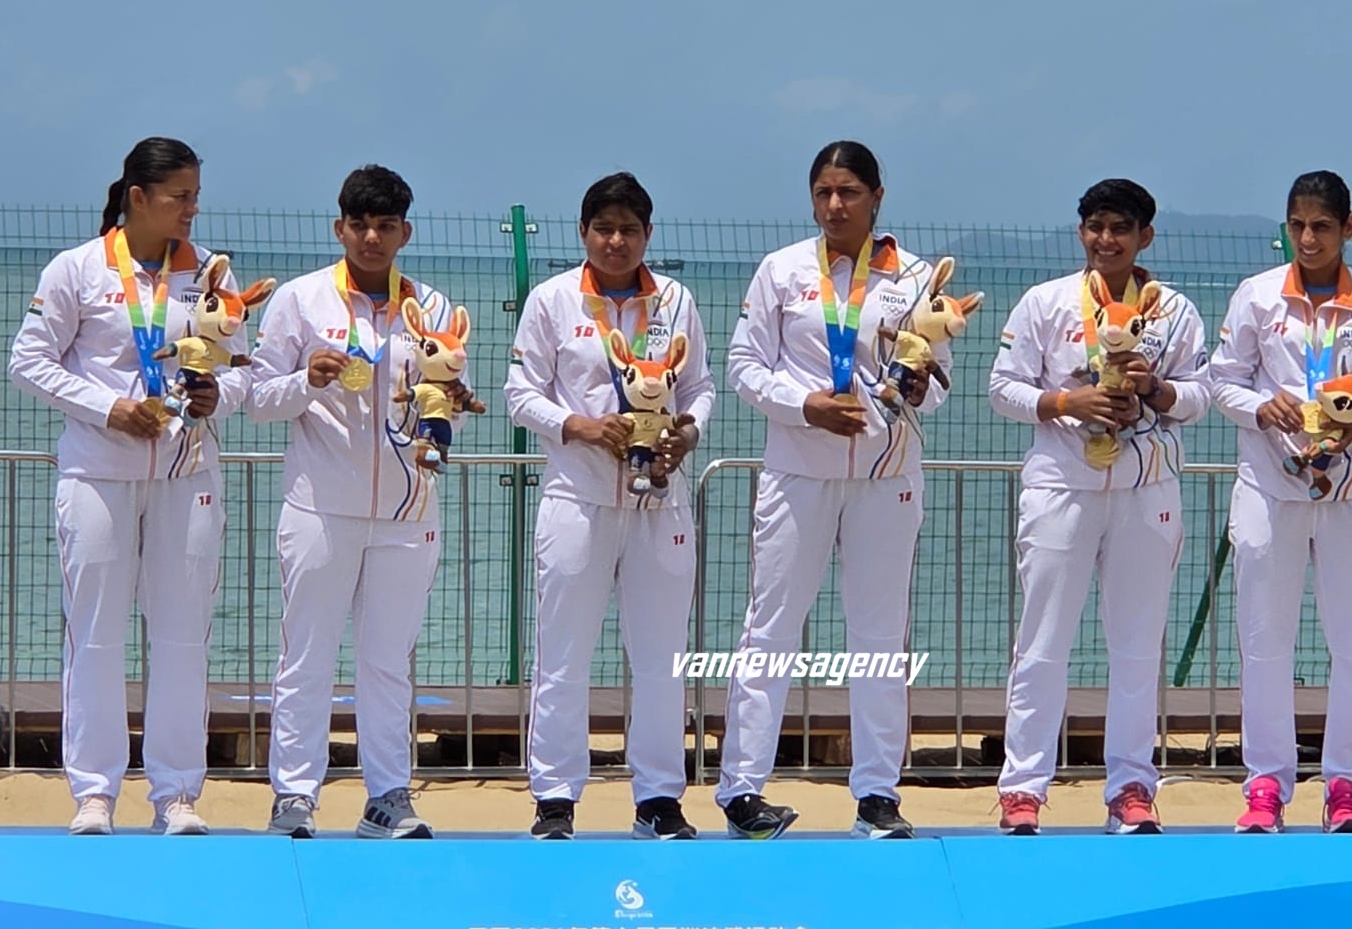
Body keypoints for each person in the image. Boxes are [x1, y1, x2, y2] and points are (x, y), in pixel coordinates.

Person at [9, 137, 251, 835]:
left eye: (197, 195)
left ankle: (177, 793)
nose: (191, 209)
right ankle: (94, 792)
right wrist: (106, 406)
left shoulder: (209, 272)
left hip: (187, 473)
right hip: (98, 472)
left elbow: (244, 367)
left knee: (183, 636)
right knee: (95, 635)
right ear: (137, 197)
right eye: (179, 196)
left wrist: (220, 397)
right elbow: (27, 362)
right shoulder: (77, 269)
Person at [717, 140, 950, 841]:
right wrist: (803, 405)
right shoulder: (782, 270)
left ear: (878, 197)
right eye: (823, 192)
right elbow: (743, 366)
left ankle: (878, 793)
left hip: (886, 476)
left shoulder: (913, 277)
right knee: (770, 628)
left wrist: (918, 385)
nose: (835, 205)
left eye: (849, 192)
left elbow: (936, 383)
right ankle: (742, 791)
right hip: (798, 471)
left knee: (880, 636)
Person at [249, 164, 470, 839]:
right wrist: (305, 381)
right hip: (320, 508)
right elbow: (256, 401)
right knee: (306, 657)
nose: (371, 237)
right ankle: (294, 795)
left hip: (407, 514)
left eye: (385, 225)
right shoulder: (300, 300)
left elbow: (450, 400)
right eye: (359, 224)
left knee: (387, 661)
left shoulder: (431, 308)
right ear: (339, 227)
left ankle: (389, 796)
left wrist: (451, 415)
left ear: (404, 231)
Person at [988, 179, 1210, 835]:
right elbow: (1002, 388)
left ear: (1145, 235)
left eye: (1120, 228)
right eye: (1094, 226)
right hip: (1061, 487)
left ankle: (1132, 788)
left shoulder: (1174, 311)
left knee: (1137, 647)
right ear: (1080, 231)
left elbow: (1203, 394)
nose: (1105, 239)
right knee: (1042, 644)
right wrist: (1066, 402)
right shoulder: (1046, 302)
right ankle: (1022, 788)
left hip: (1148, 491)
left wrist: (1159, 389)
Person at [1211, 170, 1352, 833]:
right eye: (1298, 225)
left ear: (1348, 229)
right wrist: (1261, 405)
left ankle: (1348, 788)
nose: (1308, 238)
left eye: (1322, 227)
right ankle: (1266, 787)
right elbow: (1222, 381)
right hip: (1271, 489)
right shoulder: (1255, 297)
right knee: (1264, 643)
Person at [505, 172, 715, 841]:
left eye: (629, 229)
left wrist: (688, 431)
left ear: (648, 234)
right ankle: (556, 798)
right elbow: (518, 392)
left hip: (661, 499)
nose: (616, 240)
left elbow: (701, 386)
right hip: (579, 498)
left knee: (661, 657)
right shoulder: (552, 300)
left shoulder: (676, 301)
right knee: (562, 655)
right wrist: (581, 426)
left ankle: (658, 798)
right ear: (584, 233)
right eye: (604, 228)